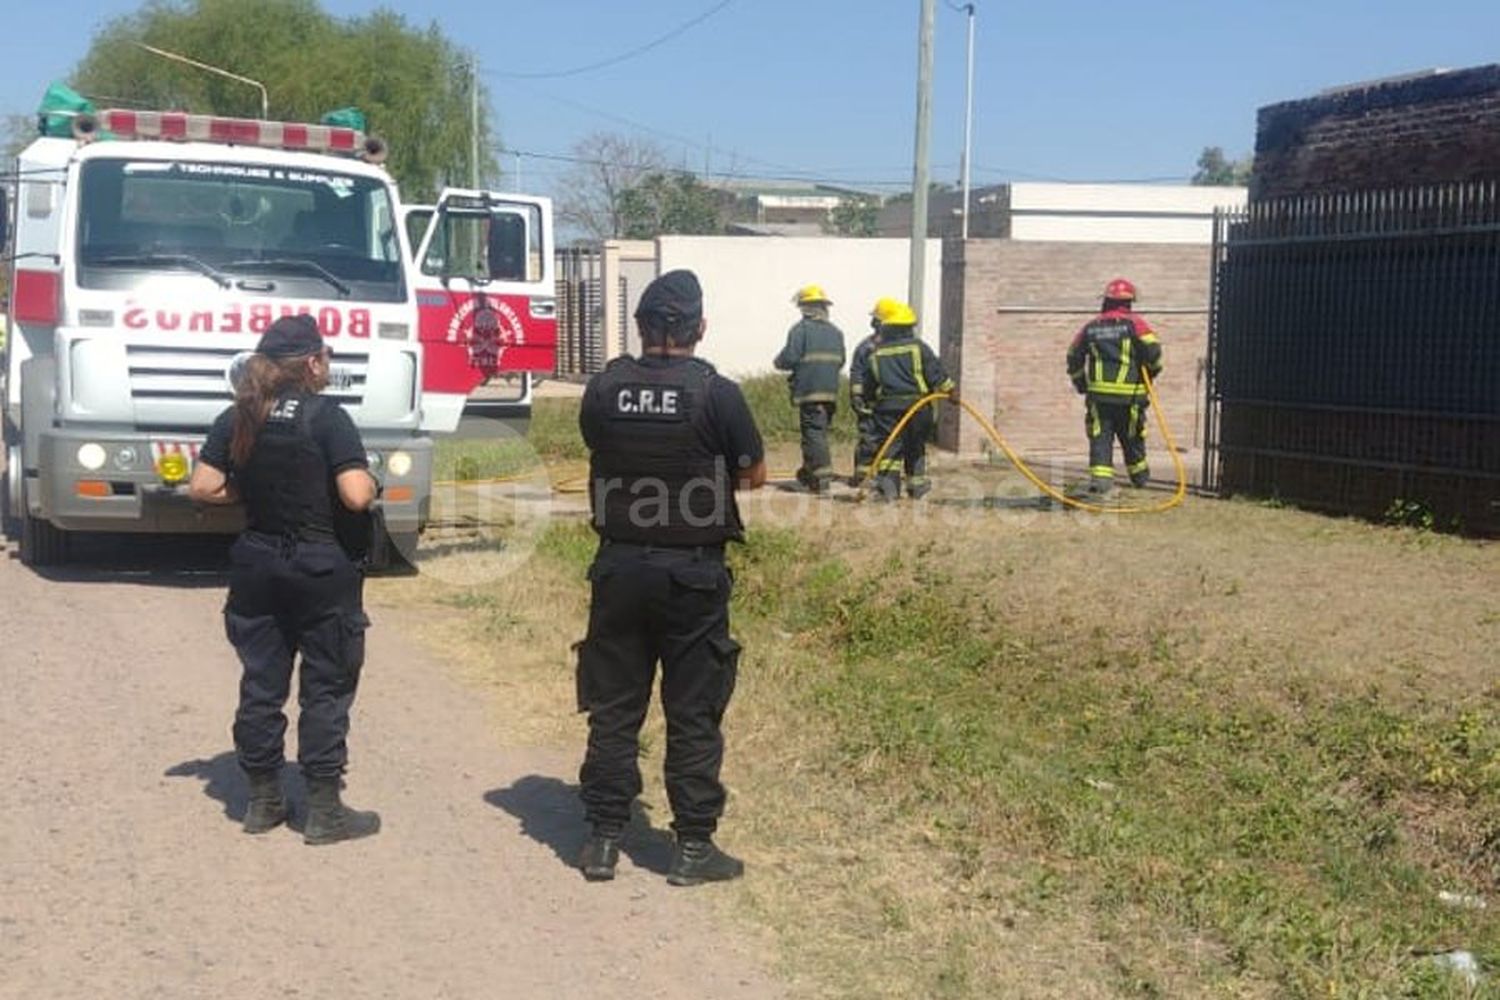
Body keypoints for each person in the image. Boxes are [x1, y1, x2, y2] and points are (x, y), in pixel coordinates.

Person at [575, 269, 767, 886]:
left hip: (620, 567)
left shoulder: (603, 390)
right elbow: (754, 475)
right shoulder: (718, 394)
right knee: (692, 711)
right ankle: (691, 848)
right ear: (700, 328)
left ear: (639, 327)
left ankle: (603, 839)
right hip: (692, 577)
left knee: (613, 709)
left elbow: (596, 446)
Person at [189, 314, 382, 846]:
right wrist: (368, 476)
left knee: (261, 685)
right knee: (325, 689)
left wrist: (248, 495)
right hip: (320, 569)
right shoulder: (327, 418)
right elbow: (356, 496)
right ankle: (323, 811)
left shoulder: (240, 415)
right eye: (327, 356)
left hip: (257, 566)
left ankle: (262, 802)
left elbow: (203, 488)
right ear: (314, 362)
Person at [1065, 277, 1164, 495]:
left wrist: (1081, 383)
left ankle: (1101, 482)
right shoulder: (1136, 325)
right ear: (1129, 302)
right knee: (1132, 436)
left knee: (1101, 437)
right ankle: (1139, 478)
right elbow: (1154, 352)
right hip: (1130, 397)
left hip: (1099, 397)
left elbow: (1073, 355)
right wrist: (1152, 371)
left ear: (1106, 301)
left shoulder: (1091, 327)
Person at [861, 300, 955, 500]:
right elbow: (935, 372)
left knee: (889, 448)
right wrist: (951, 392)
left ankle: (889, 490)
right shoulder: (918, 348)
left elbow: (869, 385)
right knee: (915, 445)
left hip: (887, 410)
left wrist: (868, 402)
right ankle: (917, 487)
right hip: (918, 407)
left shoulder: (875, 353)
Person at [772, 284, 845, 493]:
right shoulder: (836, 332)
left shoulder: (800, 330)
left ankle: (821, 478)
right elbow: (841, 360)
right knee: (817, 433)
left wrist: (778, 362)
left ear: (805, 307)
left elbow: (790, 357)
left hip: (809, 391)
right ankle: (809, 473)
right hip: (830, 392)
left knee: (813, 433)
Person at [848, 298, 894, 488]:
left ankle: (886, 476)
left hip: (888, 401)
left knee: (888, 439)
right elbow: (857, 372)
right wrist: (857, 396)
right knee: (869, 437)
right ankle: (863, 476)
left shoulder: (893, 346)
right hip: (871, 401)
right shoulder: (866, 347)